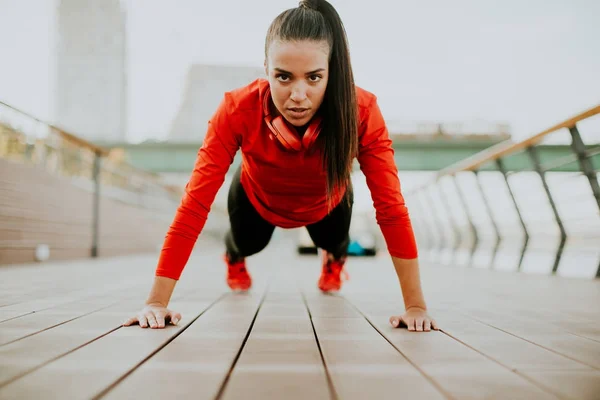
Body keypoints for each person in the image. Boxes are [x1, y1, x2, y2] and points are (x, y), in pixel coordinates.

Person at [124, 0, 438, 333]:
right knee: (247, 243)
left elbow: (390, 207)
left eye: (314, 78)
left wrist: (415, 307)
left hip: (328, 203)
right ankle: (234, 258)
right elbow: (194, 205)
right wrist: (157, 302)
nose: (298, 95)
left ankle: (332, 261)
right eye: (284, 77)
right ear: (266, 68)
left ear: (331, 70)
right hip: (257, 201)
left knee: (336, 241)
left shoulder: (361, 110)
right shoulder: (236, 109)